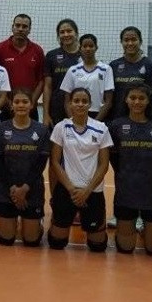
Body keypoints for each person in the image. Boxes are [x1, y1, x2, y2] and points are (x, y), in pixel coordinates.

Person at [47, 88, 113, 251]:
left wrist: (87, 191)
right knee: (56, 243)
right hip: (67, 189)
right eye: (76, 101)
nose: (80, 104)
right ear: (70, 104)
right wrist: (71, 189)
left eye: (84, 101)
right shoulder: (61, 127)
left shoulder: (101, 128)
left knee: (98, 246)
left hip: (92, 191)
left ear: (90, 104)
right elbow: (55, 161)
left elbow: (104, 164)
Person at [108, 83, 152, 255]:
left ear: (149, 101)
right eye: (132, 98)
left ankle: (149, 231)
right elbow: (114, 158)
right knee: (125, 249)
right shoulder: (116, 126)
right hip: (126, 190)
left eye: (141, 98)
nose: (137, 102)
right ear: (126, 100)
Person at [0, 89, 49, 247]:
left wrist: (25, 188)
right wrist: (13, 188)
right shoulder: (1, 129)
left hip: (32, 189)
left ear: (32, 105)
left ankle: (36, 223)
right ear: (11, 105)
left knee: (31, 241)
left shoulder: (41, 130)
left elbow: (40, 164)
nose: (21, 105)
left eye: (25, 102)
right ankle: (10, 221)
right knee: (6, 240)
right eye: (17, 102)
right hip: (6, 189)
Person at [0, 14, 44, 120]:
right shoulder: (0, 49)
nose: (20, 29)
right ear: (12, 27)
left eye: (24, 26)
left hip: (30, 109)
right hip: (6, 108)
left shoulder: (37, 50)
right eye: (17, 25)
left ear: (29, 30)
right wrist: (8, 103)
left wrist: (31, 102)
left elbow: (41, 80)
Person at [109, 26, 152, 120]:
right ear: (121, 42)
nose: (130, 43)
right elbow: (109, 97)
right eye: (126, 40)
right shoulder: (113, 66)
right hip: (116, 118)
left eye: (133, 39)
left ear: (140, 41)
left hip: (142, 120)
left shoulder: (150, 66)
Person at [59, 34, 114, 121]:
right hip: (77, 114)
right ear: (80, 48)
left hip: (99, 115)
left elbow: (108, 102)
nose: (88, 49)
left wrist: (96, 123)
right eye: (85, 46)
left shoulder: (106, 69)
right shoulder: (73, 70)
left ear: (96, 48)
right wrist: (73, 120)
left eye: (91, 46)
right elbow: (67, 101)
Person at [43, 19, 82, 128]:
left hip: (79, 108)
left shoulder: (85, 54)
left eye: (69, 31)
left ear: (76, 33)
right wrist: (45, 114)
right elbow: (47, 86)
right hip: (56, 110)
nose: (66, 34)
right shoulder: (51, 56)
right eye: (62, 32)